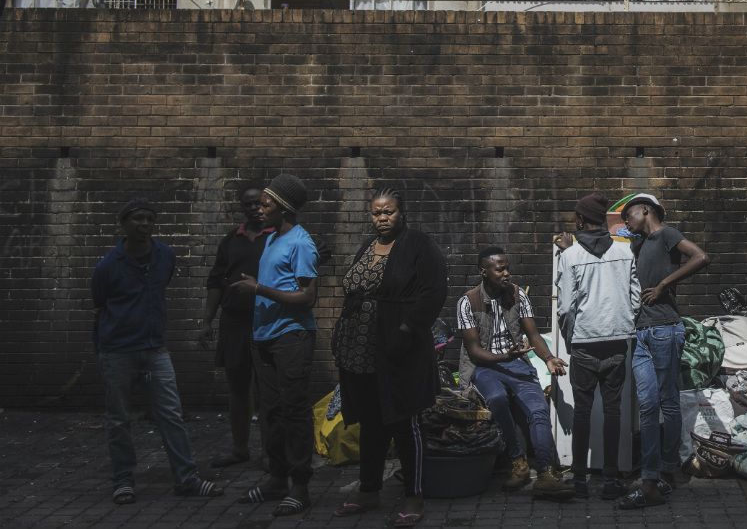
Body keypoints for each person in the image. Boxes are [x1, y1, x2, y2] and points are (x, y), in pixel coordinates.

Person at [92, 199, 224, 505]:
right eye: (137, 219)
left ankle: (186, 478)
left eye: (149, 219)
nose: (144, 224)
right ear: (123, 224)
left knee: (171, 414)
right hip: (117, 350)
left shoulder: (165, 255)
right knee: (118, 419)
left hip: (155, 348)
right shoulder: (109, 266)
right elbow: (100, 304)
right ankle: (123, 480)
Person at [332, 188, 448, 526]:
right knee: (371, 421)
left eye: (389, 212)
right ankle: (369, 489)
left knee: (404, 420)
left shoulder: (418, 245)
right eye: (376, 213)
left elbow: (434, 291)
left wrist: (408, 328)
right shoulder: (367, 247)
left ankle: (414, 495)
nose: (382, 218)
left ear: (402, 213)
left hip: (399, 349)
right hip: (361, 351)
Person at [232, 174, 319, 517]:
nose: (260, 209)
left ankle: (300, 486)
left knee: (294, 411)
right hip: (264, 338)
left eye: (267, 204)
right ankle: (276, 479)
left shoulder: (301, 243)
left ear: (284, 208)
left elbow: (308, 297)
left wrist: (259, 291)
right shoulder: (272, 239)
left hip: (292, 336)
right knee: (270, 412)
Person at [457, 246, 573, 501]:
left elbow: (532, 334)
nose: (506, 273)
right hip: (485, 366)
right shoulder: (468, 301)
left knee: (538, 409)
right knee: (498, 400)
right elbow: (475, 351)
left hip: (516, 363)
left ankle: (544, 473)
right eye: (499, 269)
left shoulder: (518, 295)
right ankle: (518, 462)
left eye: (507, 267)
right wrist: (505, 356)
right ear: (484, 272)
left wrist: (549, 358)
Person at [617, 193, 710, 510]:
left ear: (645, 210)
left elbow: (700, 257)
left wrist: (664, 286)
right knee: (648, 404)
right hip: (641, 333)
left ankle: (664, 472)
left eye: (628, 214)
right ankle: (652, 474)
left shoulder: (667, 234)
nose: (626, 221)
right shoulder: (640, 244)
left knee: (668, 402)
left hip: (666, 329)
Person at [555, 193, 641, 500]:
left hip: (584, 343)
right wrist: (625, 325)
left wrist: (570, 338)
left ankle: (579, 479)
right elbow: (635, 297)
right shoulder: (626, 251)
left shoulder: (570, 256)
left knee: (583, 411)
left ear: (579, 221)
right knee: (614, 410)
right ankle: (611, 481)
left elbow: (566, 307)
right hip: (618, 341)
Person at [198, 185, 273, 469]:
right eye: (248, 204)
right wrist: (206, 321)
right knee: (238, 389)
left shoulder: (279, 237)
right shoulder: (231, 240)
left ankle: (269, 452)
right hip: (234, 323)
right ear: (241, 207)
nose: (255, 208)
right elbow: (216, 281)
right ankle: (240, 449)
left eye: (259, 203)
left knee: (267, 391)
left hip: (267, 320)